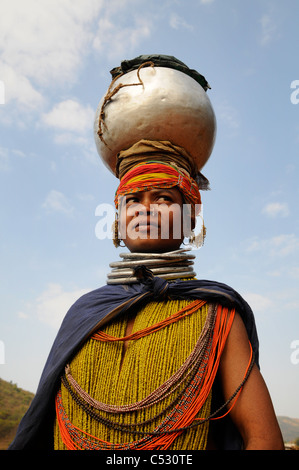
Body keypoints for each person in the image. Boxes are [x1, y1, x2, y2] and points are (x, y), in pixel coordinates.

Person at [9, 55, 284, 451]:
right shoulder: (84, 313)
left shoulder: (217, 313)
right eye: (133, 198)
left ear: (191, 218)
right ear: (118, 219)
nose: (146, 207)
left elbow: (262, 437)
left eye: (164, 197)